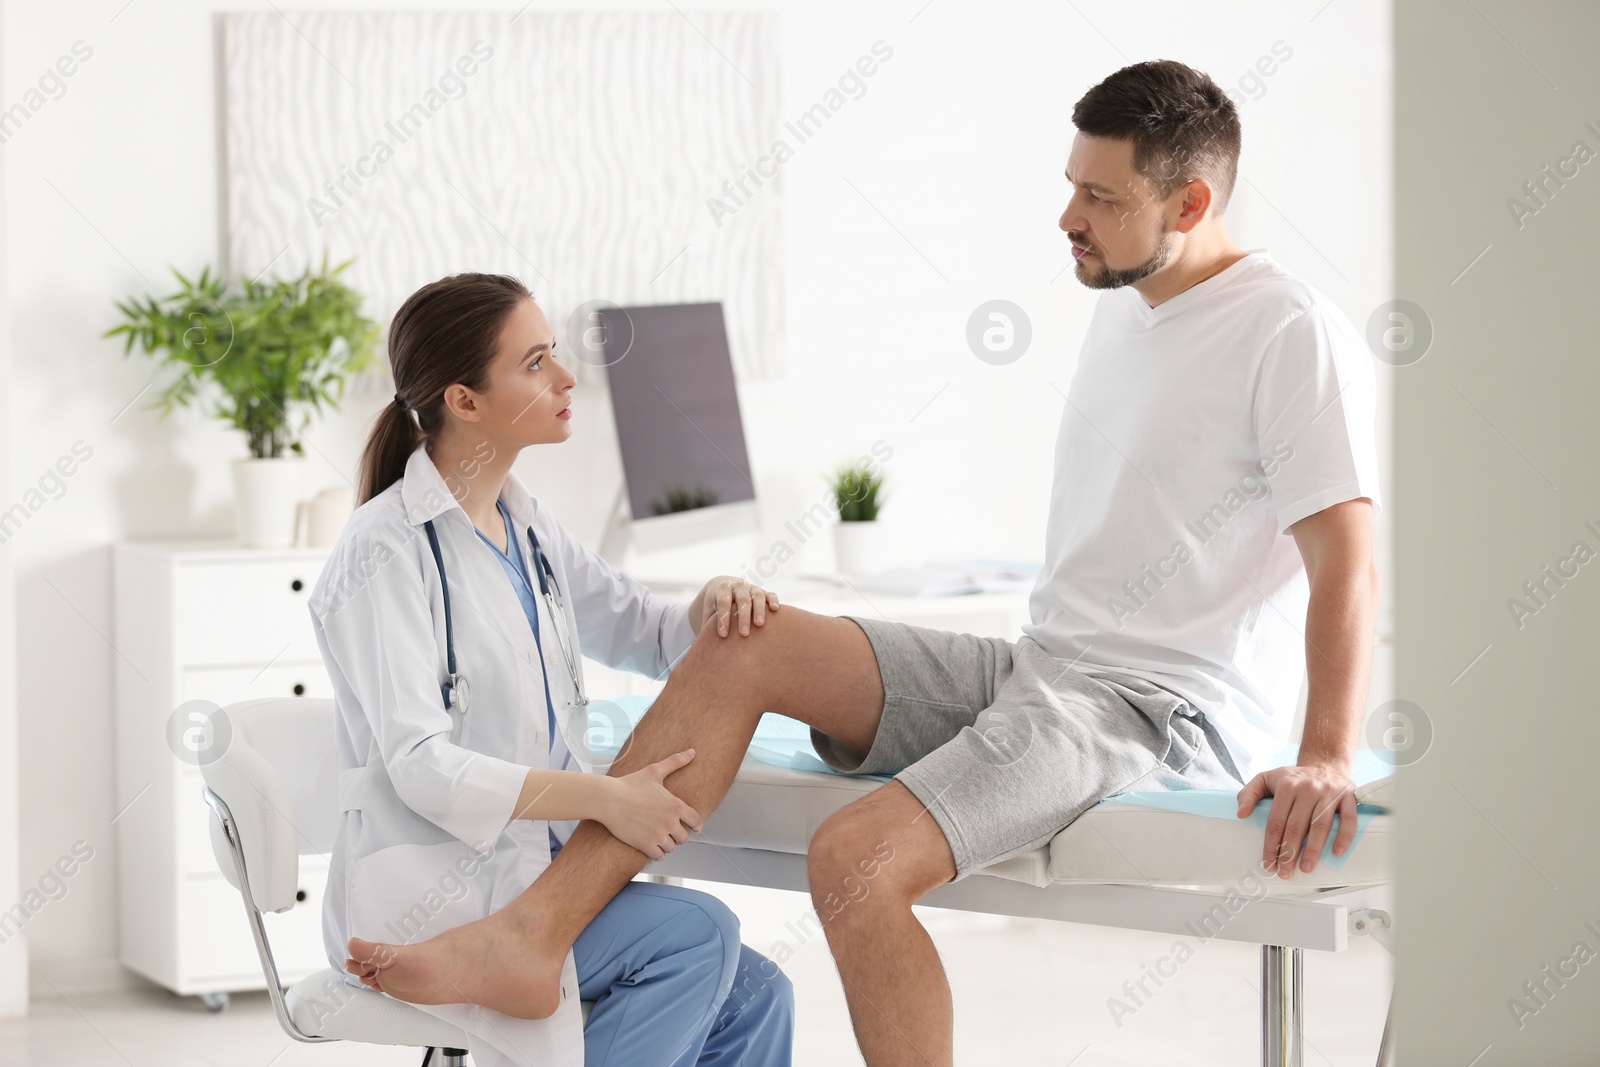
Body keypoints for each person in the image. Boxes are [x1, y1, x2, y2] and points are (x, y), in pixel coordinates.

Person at [346, 59, 1384, 1067]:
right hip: (1042, 668)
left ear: (1191, 201)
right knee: (740, 643)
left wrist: (1327, 750)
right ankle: (534, 935)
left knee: (853, 856)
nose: (1067, 216)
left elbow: (1345, 553)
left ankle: (531, 932)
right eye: (1069, 184)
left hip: (1153, 711)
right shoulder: (1128, 306)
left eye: (1099, 198)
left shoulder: (1286, 330)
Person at [308, 272, 794, 1067]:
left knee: (759, 994)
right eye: (536, 363)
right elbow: (422, 766)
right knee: (698, 938)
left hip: (535, 877)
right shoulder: (385, 550)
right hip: (435, 897)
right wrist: (608, 797)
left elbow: (649, 631)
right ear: (464, 400)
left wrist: (715, 600)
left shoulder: (528, 527)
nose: (568, 378)